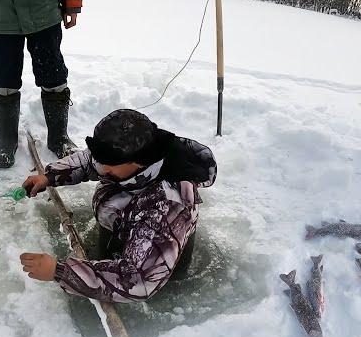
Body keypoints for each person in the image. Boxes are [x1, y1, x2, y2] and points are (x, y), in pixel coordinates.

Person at [20, 109, 217, 303]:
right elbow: (88, 161)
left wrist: (61, 272)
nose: (101, 167)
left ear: (140, 162)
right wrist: (49, 177)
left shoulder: (167, 205)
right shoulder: (124, 157)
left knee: (145, 287)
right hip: (124, 232)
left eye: (108, 163)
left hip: (156, 269)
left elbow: (138, 279)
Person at [0, 0, 82, 168]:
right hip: (1, 19)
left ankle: (59, 138)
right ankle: (7, 140)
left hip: (44, 13)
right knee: (4, 81)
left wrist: (72, 3)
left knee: (54, 75)